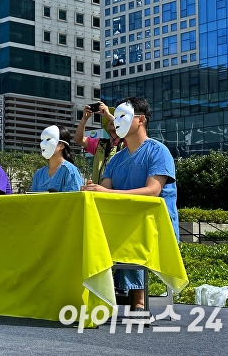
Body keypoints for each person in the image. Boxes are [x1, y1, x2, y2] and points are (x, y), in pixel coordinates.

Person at [81, 97, 178, 311]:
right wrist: (92, 190)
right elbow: (105, 188)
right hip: (124, 221)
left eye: (122, 117)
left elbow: (153, 191)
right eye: (115, 118)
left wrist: (107, 191)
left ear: (141, 120)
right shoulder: (116, 159)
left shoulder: (158, 151)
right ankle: (94, 294)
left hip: (154, 223)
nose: (116, 122)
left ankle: (138, 300)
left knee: (130, 233)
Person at [74, 102, 125, 184]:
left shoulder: (126, 144)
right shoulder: (99, 143)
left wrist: (108, 115)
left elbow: (126, 130)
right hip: (97, 192)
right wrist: (84, 119)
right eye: (109, 119)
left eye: (117, 118)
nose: (111, 121)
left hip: (115, 192)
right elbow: (78, 139)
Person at [30, 125, 82, 192]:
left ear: (62, 145)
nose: (42, 144)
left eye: (48, 139)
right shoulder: (38, 174)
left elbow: (73, 200)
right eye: (42, 140)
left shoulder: (70, 171)